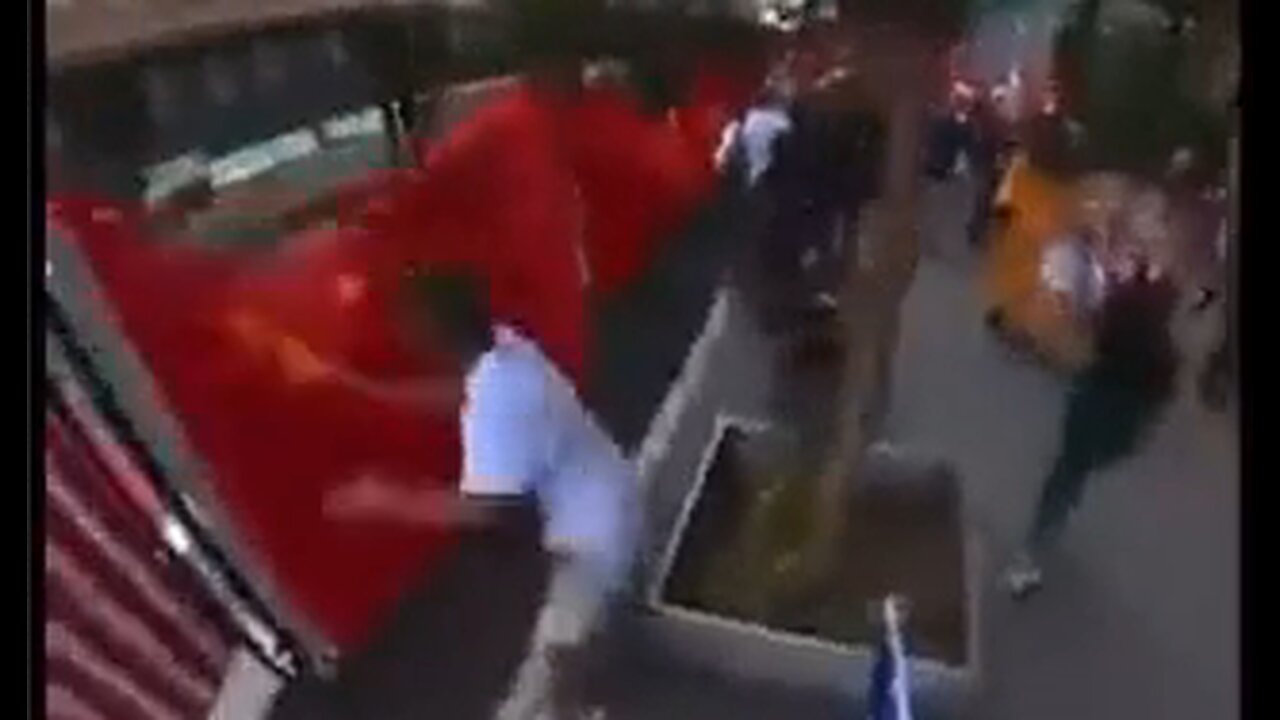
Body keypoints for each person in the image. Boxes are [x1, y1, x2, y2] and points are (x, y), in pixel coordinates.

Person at [318, 270, 640, 720]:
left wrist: (382, 500)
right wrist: (372, 394)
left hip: (591, 547)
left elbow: (488, 511)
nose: (401, 333)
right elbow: (460, 395)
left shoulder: (496, 401)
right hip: (611, 495)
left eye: (408, 325)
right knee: (558, 667)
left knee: (558, 676)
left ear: (432, 334)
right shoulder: (504, 351)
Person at [1005, 249, 1179, 599]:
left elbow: (1092, 342)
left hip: (1097, 400)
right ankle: (1043, 535)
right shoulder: (1163, 355)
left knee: (1068, 468)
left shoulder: (1120, 325)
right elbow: (1160, 396)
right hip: (1120, 414)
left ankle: (1035, 545)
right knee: (1076, 468)